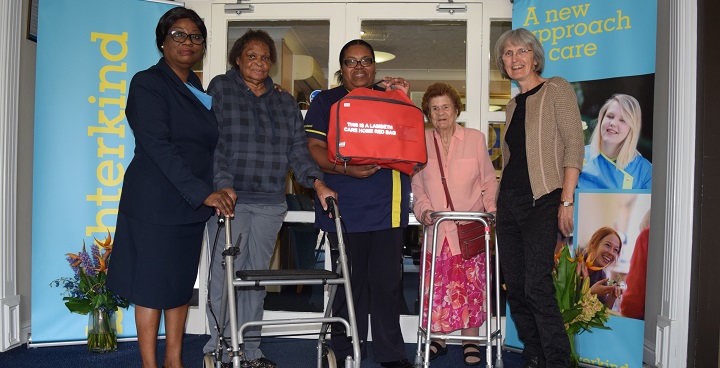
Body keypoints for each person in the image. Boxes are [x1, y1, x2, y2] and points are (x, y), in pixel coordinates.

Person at [106, 8, 235, 368]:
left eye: (195, 37)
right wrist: (203, 192)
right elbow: (158, 146)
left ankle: (174, 360)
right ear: (163, 41)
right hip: (155, 202)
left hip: (190, 205)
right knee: (150, 288)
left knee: (179, 286)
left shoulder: (196, 87)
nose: (188, 42)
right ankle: (150, 364)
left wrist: (215, 189)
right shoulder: (147, 83)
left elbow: (209, 146)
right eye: (178, 35)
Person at [203, 29, 336, 368]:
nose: (259, 62)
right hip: (228, 200)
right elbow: (212, 143)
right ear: (238, 58)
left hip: (269, 202)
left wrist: (317, 183)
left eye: (264, 57)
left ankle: (250, 351)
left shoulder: (284, 101)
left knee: (254, 280)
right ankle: (216, 348)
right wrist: (221, 184)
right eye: (252, 56)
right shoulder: (220, 88)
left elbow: (297, 149)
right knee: (223, 277)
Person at [305, 39, 413, 368]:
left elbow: (408, 142)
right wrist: (344, 168)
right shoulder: (326, 101)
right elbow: (313, 148)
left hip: (388, 204)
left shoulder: (391, 98)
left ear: (374, 67)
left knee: (387, 284)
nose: (359, 67)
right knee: (349, 284)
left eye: (365, 61)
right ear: (341, 69)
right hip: (345, 207)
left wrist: (405, 101)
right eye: (351, 62)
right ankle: (345, 349)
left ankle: (391, 354)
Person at [493, 28, 585, 368]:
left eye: (521, 51)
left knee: (536, 287)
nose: (515, 59)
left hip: (544, 199)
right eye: (508, 53)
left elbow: (574, 146)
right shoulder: (513, 105)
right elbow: (512, 159)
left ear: (535, 56)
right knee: (515, 287)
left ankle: (559, 361)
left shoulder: (556, 88)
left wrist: (566, 200)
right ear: (502, 62)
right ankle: (534, 354)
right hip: (509, 205)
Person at [411, 82, 498, 366]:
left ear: (456, 109)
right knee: (438, 286)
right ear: (428, 113)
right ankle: (438, 338)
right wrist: (423, 211)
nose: (441, 113)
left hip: (470, 229)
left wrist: (492, 213)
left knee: (471, 288)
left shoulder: (474, 138)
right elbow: (418, 185)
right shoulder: (421, 142)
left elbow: (487, 180)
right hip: (437, 229)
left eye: (445, 107)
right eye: (434, 108)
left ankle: (470, 340)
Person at [577, 94, 652, 190]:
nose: (613, 123)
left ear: (632, 128)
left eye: (622, 120)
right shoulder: (578, 156)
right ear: (601, 119)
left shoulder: (646, 171)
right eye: (610, 116)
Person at [580, 227, 624, 309]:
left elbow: (602, 314)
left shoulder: (602, 277)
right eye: (607, 245)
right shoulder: (575, 263)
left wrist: (612, 296)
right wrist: (590, 293)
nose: (611, 252)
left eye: (615, 250)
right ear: (593, 243)